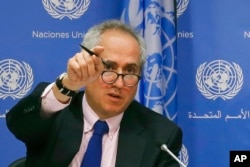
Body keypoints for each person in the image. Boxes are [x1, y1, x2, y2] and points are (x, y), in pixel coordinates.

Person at [6, 19, 183, 167]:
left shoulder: (161, 136)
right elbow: (18, 123)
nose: (119, 83)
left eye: (130, 71)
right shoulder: (55, 113)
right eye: (108, 67)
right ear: (87, 64)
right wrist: (68, 85)